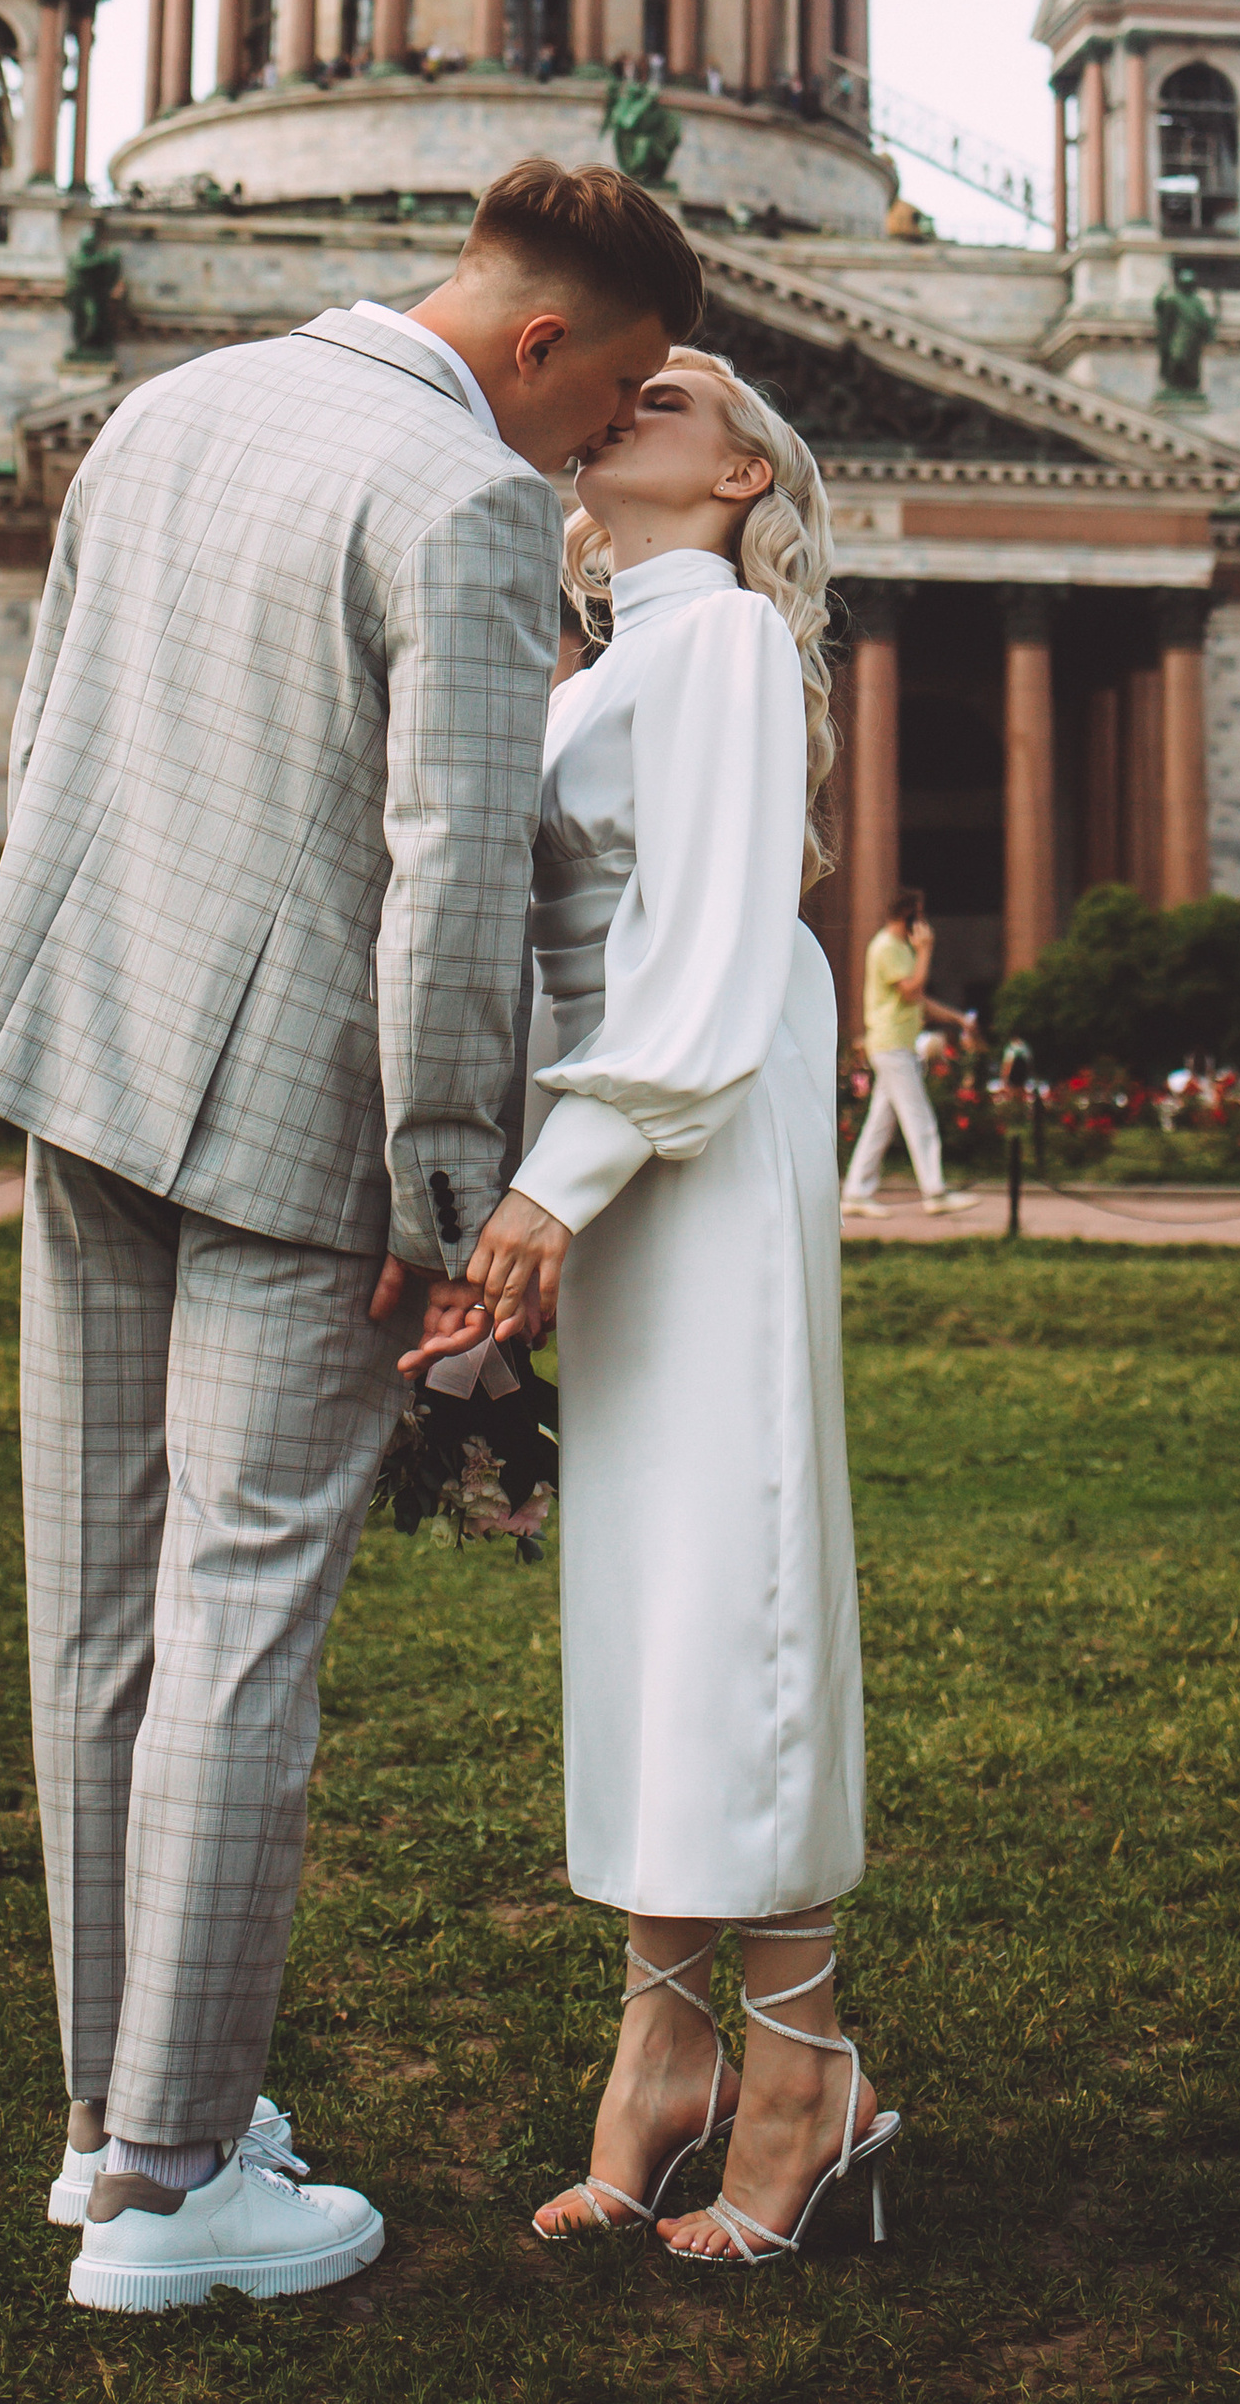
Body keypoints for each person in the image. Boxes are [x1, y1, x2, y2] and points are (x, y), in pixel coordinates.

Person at [0, 159, 705, 2314]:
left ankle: (108, 2132)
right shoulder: (460, 502)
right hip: (291, 1126)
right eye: (611, 396)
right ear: (541, 344)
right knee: (242, 1619)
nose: (591, 451)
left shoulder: (167, 413)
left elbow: (53, 734)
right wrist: (445, 1193)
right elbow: (450, 866)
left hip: (73, 1053)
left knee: (92, 1611)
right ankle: (181, 2186)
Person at [431, 349, 897, 2270]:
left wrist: (551, 1185)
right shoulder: (619, 660)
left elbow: (706, 957)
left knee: (738, 1578)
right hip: (628, 1142)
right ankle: (665, 2046)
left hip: (685, 1141)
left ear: (737, 482)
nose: (633, 398)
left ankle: (800, 2074)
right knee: (646, 1589)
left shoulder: (713, 651)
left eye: (682, 394)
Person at [841, 890, 973, 1215]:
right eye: (920, 914)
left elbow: (917, 1001)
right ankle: (935, 1192)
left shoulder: (898, 948)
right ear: (908, 915)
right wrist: (926, 950)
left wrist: (957, 1018)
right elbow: (912, 990)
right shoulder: (887, 947)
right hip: (892, 1045)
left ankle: (856, 1193)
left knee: (879, 1124)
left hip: (893, 1044)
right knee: (920, 1120)